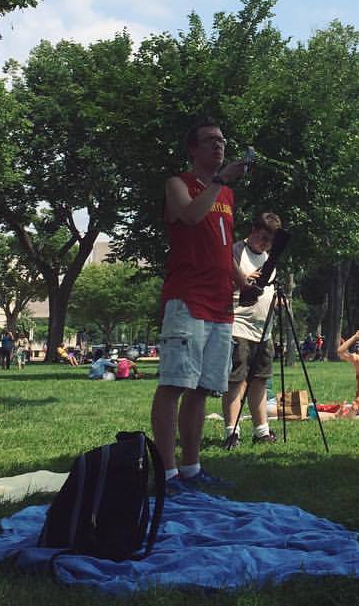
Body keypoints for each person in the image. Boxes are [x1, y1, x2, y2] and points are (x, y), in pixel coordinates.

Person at [150, 117, 251, 493]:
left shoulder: (226, 196)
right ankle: (167, 474)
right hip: (188, 299)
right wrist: (220, 180)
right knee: (174, 384)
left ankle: (191, 469)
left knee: (203, 389)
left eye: (222, 140)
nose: (219, 145)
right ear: (193, 149)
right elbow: (190, 216)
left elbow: (223, 249)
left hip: (221, 304)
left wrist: (243, 283)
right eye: (209, 140)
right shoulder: (178, 184)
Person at [221, 212, 283, 448]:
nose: (266, 244)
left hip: (263, 330)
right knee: (236, 381)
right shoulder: (236, 252)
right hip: (238, 326)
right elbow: (220, 282)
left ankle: (261, 431)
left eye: (270, 241)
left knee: (260, 381)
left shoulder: (269, 259)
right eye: (263, 238)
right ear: (253, 231)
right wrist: (243, 278)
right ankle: (232, 432)